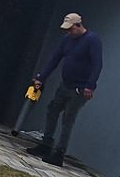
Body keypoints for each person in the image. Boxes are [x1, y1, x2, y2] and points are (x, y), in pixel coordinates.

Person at [27, 11, 103, 167]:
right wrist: (41, 78)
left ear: (78, 25)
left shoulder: (92, 40)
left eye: (71, 29)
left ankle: (59, 153)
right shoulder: (67, 40)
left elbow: (97, 64)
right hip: (65, 85)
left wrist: (90, 85)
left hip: (80, 88)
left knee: (68, 118)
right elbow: (55, 59)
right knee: (52, 109)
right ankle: (46, 144)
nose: (69, 32)